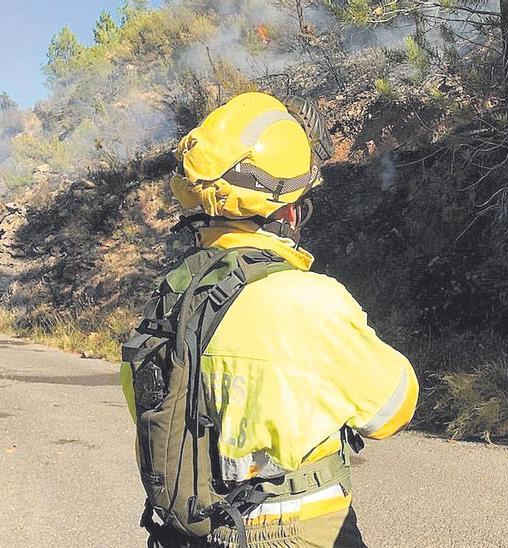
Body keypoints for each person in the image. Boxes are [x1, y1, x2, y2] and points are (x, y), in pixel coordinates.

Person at [122, 92, 418, 548]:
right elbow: (391, 410)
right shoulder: (309, 300)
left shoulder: (170, 301)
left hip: (186, 532)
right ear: (288, 211)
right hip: (298, 532)